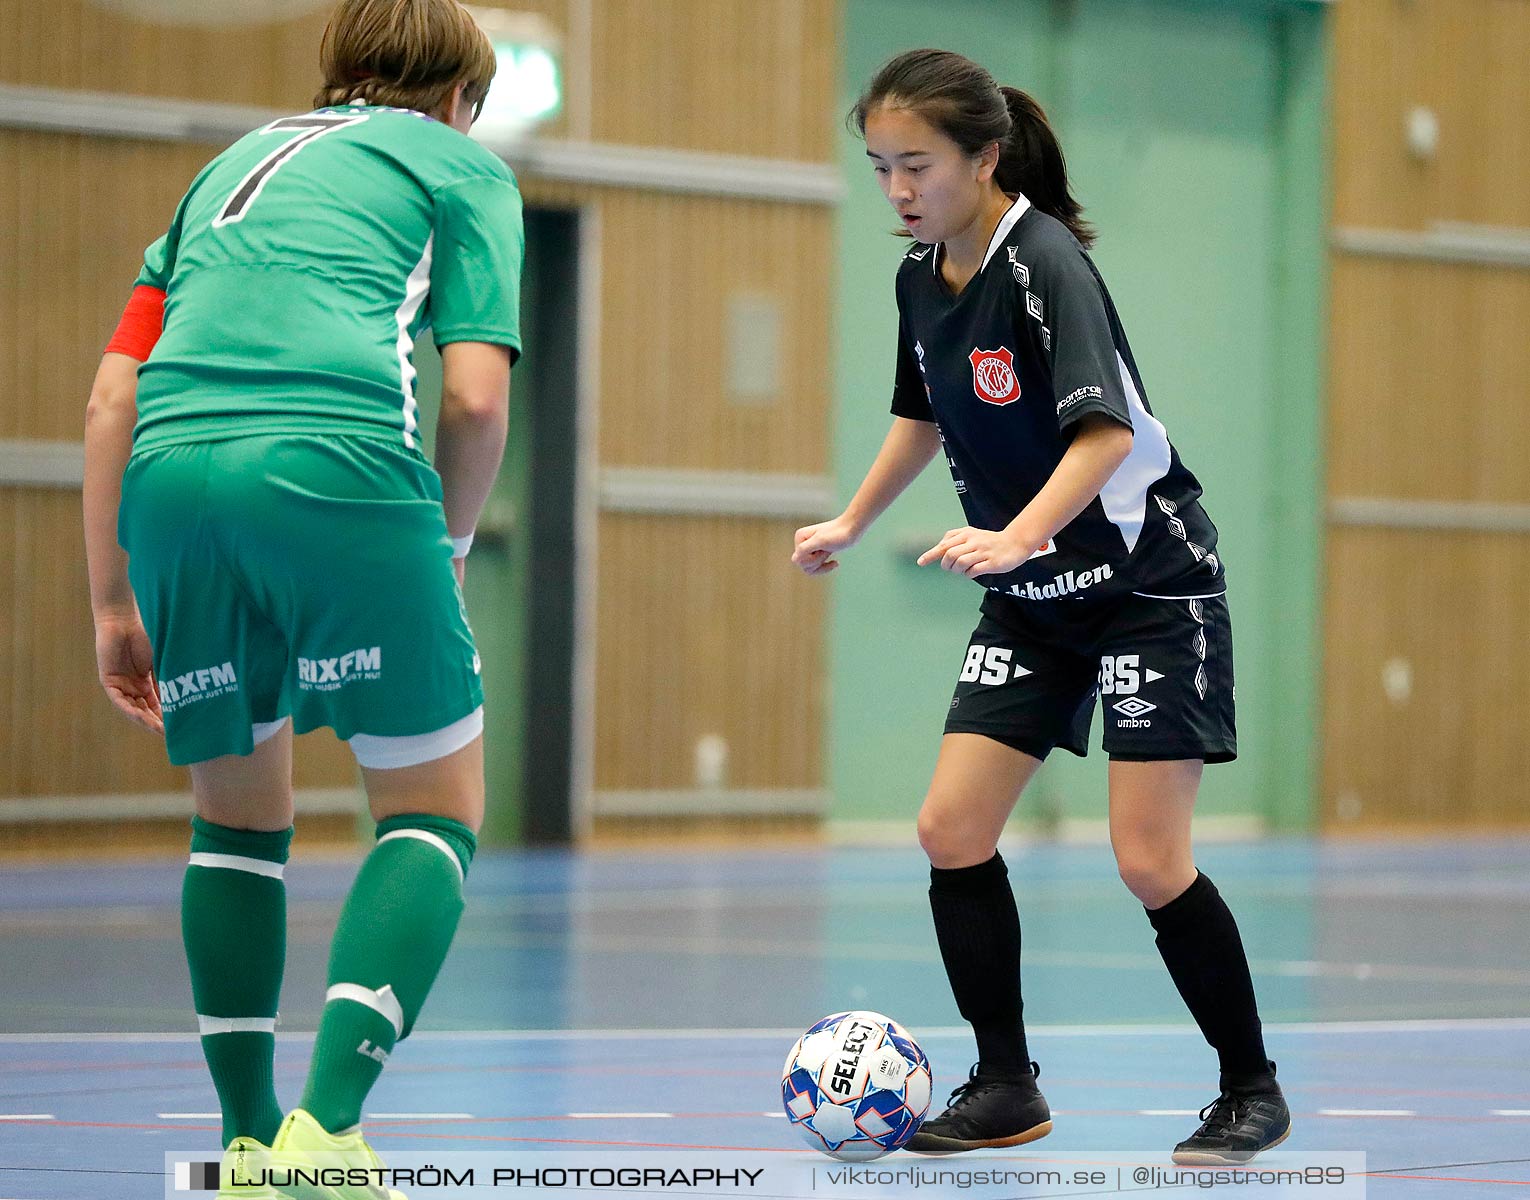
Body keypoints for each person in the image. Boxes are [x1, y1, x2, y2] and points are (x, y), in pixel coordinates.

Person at [792, 48, 1290, 1166]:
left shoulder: (1044, 262)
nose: (898, 190)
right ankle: (1006, 1085)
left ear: (984, 156)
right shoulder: (923, 276)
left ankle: (1251, 1089)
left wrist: (1018, 534)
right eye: (879, 168)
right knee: (951, 829)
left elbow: (1105, 432)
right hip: (1034, 602)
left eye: (916, 164)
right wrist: (854, 521)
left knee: (1148, 858)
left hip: (1145, 588)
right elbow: (922, 418)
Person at [82, 1, 523, 1195]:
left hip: (172, 484)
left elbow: (110, 399)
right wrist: (451, 545)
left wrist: (112, 598)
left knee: (235, 821)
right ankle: (324, 1140)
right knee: (434, 810)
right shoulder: (459, 165)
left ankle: (243, 1136)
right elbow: (476, 399)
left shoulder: (222, 169)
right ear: (461, 98)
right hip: (333, 465)